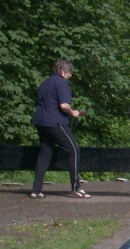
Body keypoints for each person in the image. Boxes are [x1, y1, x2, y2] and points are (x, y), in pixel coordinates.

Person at [30, 59, 91, 199]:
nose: (70, 76)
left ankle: (36, 190)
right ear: (63, 71)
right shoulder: (61, 83)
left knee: (45, 154)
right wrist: (73, 112)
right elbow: (64, 105)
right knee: (74, 150)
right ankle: (77, 187)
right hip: (55, 122)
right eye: (69, 73)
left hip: (41, 122)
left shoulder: (45, 83)